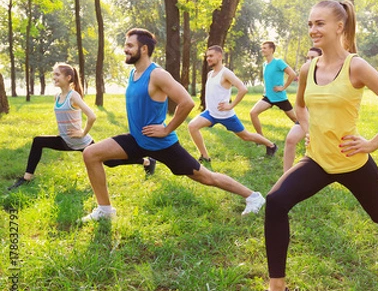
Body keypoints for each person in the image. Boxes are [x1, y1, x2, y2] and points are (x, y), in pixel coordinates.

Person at [255, 0, 378, 291]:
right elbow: (301, 105)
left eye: (319, 23)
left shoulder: (355, 66)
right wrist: (307, 129)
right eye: (309, 24)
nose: (313, 30)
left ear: (339, 27)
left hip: (353, 162)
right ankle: (277, 289)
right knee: (276, 201)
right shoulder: (308, 68)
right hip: (318, 160)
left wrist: (371, 144)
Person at [80, 28, 265, 222]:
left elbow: (187, 102)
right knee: (91, 153)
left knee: (206, 177)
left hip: (161, 145)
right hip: (137, 139)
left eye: (129, 45)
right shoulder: (134, 73)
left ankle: (253, 197)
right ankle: (105, 210)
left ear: (143, 49)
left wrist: (167, 129)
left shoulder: (157, 75)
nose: (125, 49)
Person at [6, 62, 155, 192]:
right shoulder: (57, 96)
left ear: (68, 78)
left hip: (81, 142)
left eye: (57, 74)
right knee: (38, 141)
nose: (54, 77)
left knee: (110, 162)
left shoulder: (73, 96)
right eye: (54, 75)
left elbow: (92, 116)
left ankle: (146, 161)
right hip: (65, 140)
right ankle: (26, 178)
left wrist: (83, 133)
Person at [187, 45, 278, 163]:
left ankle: (271, 145)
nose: (208, 59)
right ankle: (205, 156)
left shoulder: (226, 73)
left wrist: (230, 105)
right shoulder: (210, 74)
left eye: (211, 56)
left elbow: (243, 89)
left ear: (219, 56)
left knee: (246, 136)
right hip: (211, 114)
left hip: (226, 116)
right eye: (207, 56)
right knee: (192, 126)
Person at [282, 47, 322, 173]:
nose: (309, 61)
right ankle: (286, 175)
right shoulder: (305, 75)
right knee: (290, 139)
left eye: (313, 57)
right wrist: (308, 131)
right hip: (307, 114)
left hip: (325, 116)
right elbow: (300, 103)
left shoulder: (327, 75)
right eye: (307, 57)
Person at [249, 41, 298, 136]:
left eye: (265, 48)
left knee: (295, 119)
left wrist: (283, 87)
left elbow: (292, 74)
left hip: (280, 97)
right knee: (253, 113)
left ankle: (311, 135)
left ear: (271, 50)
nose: (262, 50)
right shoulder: (264, 64)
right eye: (262, 48)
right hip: (268, 97)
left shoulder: (278, 62)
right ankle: (260, 138)